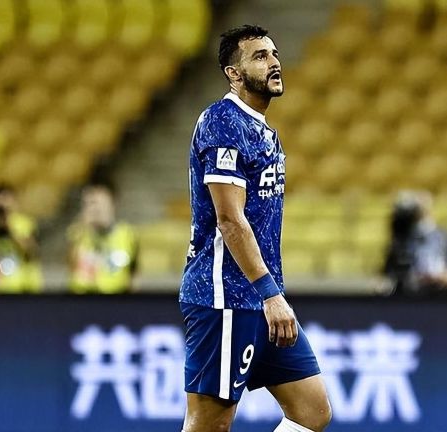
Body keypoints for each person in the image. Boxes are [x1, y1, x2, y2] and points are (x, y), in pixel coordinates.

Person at [179, 25, 332, 432]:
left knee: (312, 411)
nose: (275, 62)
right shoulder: (222, 122)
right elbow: (230, 219)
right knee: (210, 423)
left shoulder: (264, 131)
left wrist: (270, 294)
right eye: (260, 56)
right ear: (234, 73)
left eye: (275, 53)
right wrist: (270, 294)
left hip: (262, 298)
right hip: (225, 295)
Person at [382, 190, 447, 297]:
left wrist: (441, 278)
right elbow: (387, 275)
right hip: (409, 299)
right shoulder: (401, 242)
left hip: (443, 298)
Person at [67, 180, 139, 294]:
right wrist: (83, 227)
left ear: (113, 202)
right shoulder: (78, 233)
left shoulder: (127, 234)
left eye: (100, 203)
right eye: (90, 203)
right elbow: (70, 266)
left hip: (116, 298)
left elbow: (133, 272)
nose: (96, 209)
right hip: (82, 298)